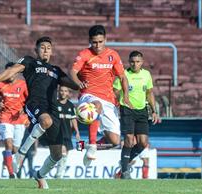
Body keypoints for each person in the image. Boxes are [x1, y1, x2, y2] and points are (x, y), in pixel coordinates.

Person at [0, 36, 77, 189]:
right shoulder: (30, 62)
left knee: (57, 154)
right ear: (36, 50)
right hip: (35, 103)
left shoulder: (56, 70)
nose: (45, 50)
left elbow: (74, 85)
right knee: (45, 121)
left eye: (48, 48)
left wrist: (82, 81)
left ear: (51, 51)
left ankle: (40, 175)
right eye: (42, 47)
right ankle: (22, 152)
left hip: (53, 110)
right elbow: (12, 70)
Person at [67, 25, 132, 166]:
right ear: (90, 40)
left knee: (114, 141)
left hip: (109, 99)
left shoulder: (113, 55)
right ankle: (91, 145)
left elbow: (122, 77)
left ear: (105, 40)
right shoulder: (85, 54)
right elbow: (72, 72)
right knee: (97, 105)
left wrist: (125, 96)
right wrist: (78, 83)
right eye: (94, 42)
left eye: (100, 42)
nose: (97, 45)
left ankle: (84, 146)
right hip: (89, 95)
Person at [113, 50, 159, 179]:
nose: (135, 64)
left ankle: (124, 164)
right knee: (128, 140)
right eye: (132, 62)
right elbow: (115, 91)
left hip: (142, 110)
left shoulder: (146, 75)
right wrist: (115, 103)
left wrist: (154, 111)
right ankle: (125, 172)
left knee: (143, 143)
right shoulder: (123, 75)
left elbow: (149, 93)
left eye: (137, 62)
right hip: (127, 109)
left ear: (142, 62)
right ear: (129, 62)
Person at [0, 62, 28, 179]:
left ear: (16, 73)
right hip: (5, 118)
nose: (10, 74)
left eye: (12, 71)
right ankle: (11, 173)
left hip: (19, 119)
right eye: (8, 72)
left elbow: (30, 100)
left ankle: (6, 157)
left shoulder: (23, 85)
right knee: (8, 144)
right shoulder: (0, 85)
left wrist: (24, 109)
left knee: (15, 149)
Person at [54, 85, 80, 178]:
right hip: (57, 133)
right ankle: (59, 173)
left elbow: (73, 119)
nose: (63, 93)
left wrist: (77, 131)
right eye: (61, 91)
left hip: (67, 133)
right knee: (62, 151)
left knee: (65, 154)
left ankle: (60, 172)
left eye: (65, 91)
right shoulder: (55, 104)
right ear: (58, 92)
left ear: (68, 93)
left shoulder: (70, 106)